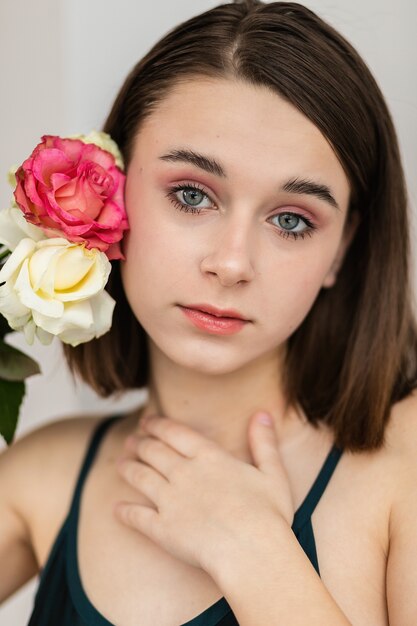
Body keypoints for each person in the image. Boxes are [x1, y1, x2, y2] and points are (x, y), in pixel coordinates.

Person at [1, 0, 417, 623]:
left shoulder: (402, 463)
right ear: (111, 194)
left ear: (343, 249)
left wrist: (255, 553)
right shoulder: (43, 475)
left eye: (292, 220)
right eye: (192, 195)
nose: (231, 263)